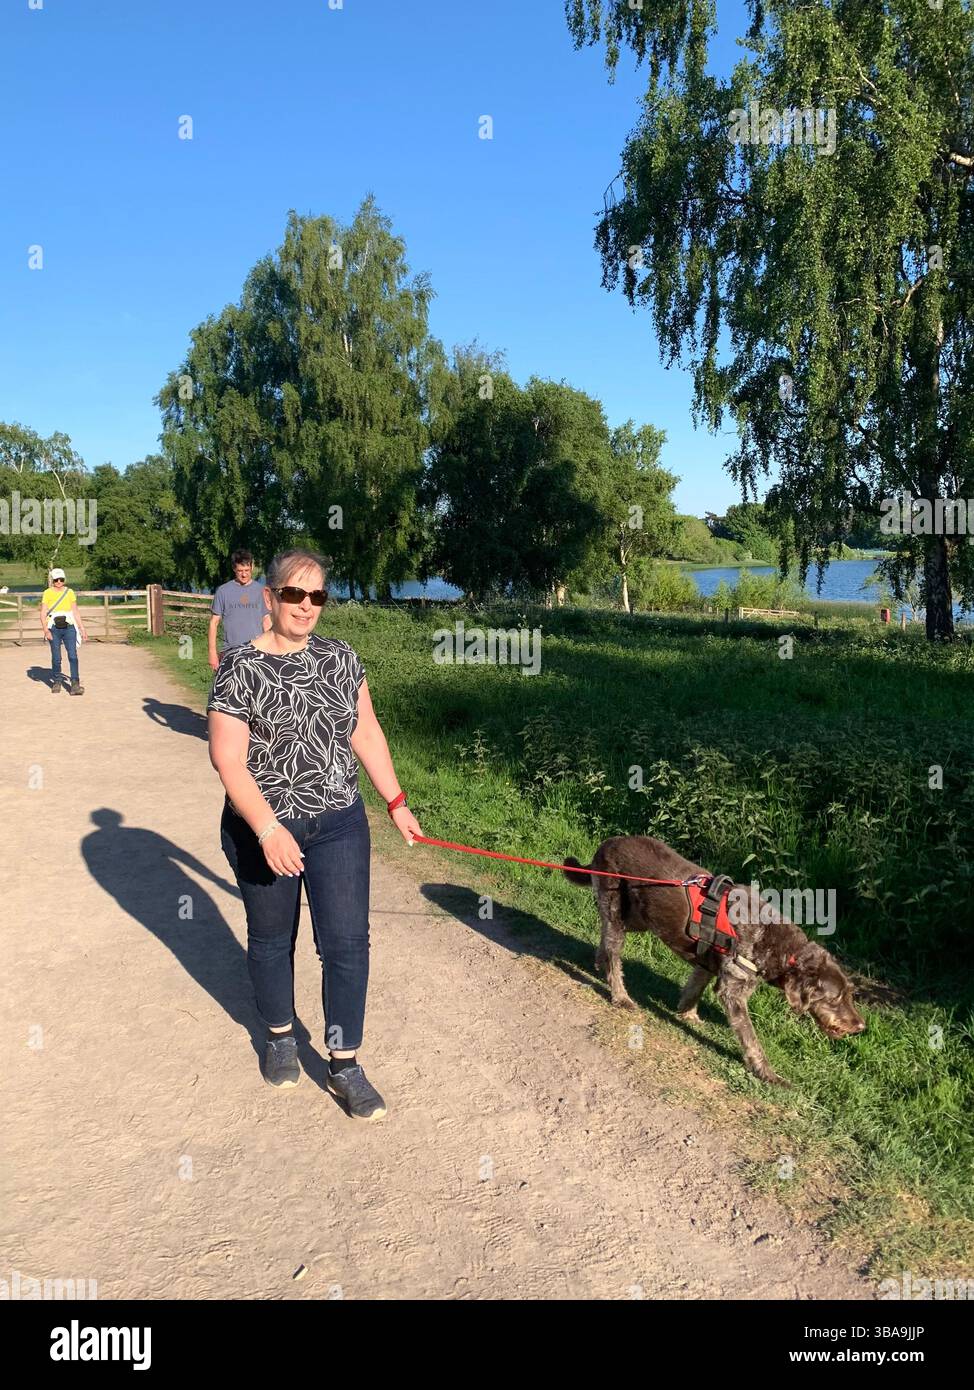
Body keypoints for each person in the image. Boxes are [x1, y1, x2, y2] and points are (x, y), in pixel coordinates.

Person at [206, 548, 422, 1117]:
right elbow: (228, 760)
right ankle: (279, 1035)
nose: (306, 606)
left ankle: (345, 1062)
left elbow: (366, 734)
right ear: (270, 597)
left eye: (318, 596)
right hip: (264, 826)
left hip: (339, 822)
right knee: (274, 937)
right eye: (295, 594)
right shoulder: (238, 666)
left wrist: (396, 802)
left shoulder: (342, 659)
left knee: (347, 943)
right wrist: (268, 828)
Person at [208, 550, 271, 670]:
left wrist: (271, 650)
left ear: (252, 567)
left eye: (247, 570)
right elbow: (213, 623)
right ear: (233, 568)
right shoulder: (223, 591)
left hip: (256, 651)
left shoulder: (261, 591)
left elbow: (267, 621)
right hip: (230, 651)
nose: (244, 575)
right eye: (240, 571)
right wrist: (212, 653)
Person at [40, 567, 88, 695]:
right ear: (52, 580)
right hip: (53, 628)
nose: (59, 582)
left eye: (61, 579)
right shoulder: (47, 593)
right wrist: (46, 630)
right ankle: (57, 681)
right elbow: (43, 612)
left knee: (72, 656)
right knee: (56, 657)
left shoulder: (70, 592)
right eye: (56, 579)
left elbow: (75, 611)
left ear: (64, 579)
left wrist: (82, 628)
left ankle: (75, 684)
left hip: (69, 627)